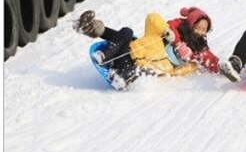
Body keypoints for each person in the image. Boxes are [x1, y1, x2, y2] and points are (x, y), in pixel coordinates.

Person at [75, 6, 220, 89]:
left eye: (204, 30)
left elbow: (208, 60)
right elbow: (153, 18)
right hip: (130, 52)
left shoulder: (197, 50)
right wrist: (175, 40)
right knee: (127, 33)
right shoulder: (170, 30)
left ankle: (120, 76)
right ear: (190, 24)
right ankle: (101, 50)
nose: (201, 32)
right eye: (198, 27)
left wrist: (224, 67)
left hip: (138, 67)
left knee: (144, 67)